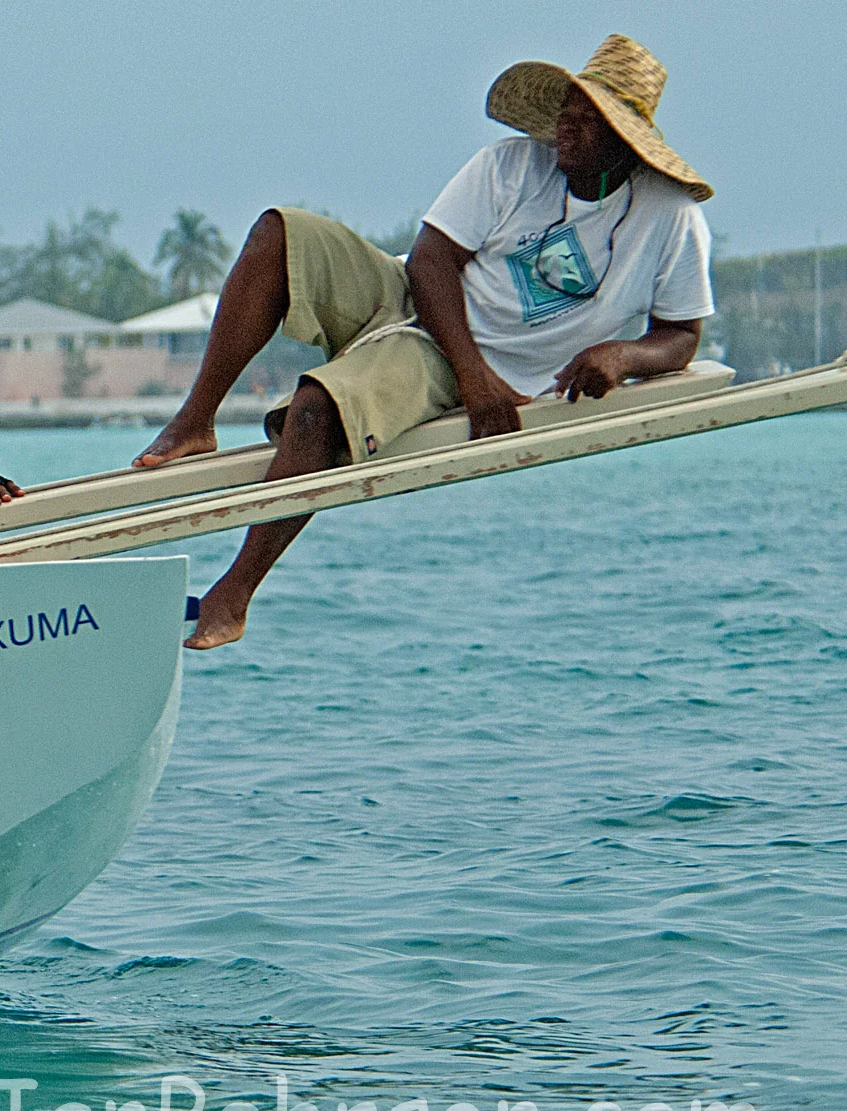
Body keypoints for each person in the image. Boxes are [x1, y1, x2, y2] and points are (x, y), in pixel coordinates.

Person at [133, 34, 714, 651]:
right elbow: (431, 262)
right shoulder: (510, 165)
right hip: (420, 303)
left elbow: (681, 336)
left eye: (585, 116)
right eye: (566, 107)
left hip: (444, 358)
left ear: (624, 139)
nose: (564, 125)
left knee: (318, 408)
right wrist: (474, 379)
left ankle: (235, 595)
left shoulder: (669, 217)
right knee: (278, 232)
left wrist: (622, 356)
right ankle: (195, 421)